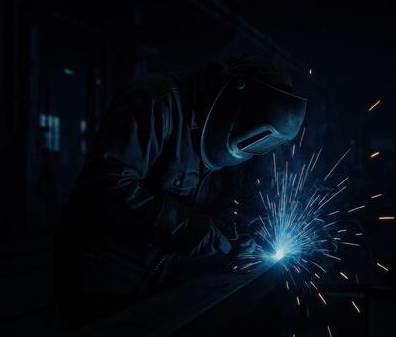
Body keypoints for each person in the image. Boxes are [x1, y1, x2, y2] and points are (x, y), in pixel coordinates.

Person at [54, 55, 307, 323]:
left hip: (160, 280)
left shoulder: (235, 140)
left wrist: (240, 230)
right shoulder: (156, 102)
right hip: (104, 279)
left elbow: (227, 202)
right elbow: (104, 187)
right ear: (234, 96)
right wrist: (188, 227)